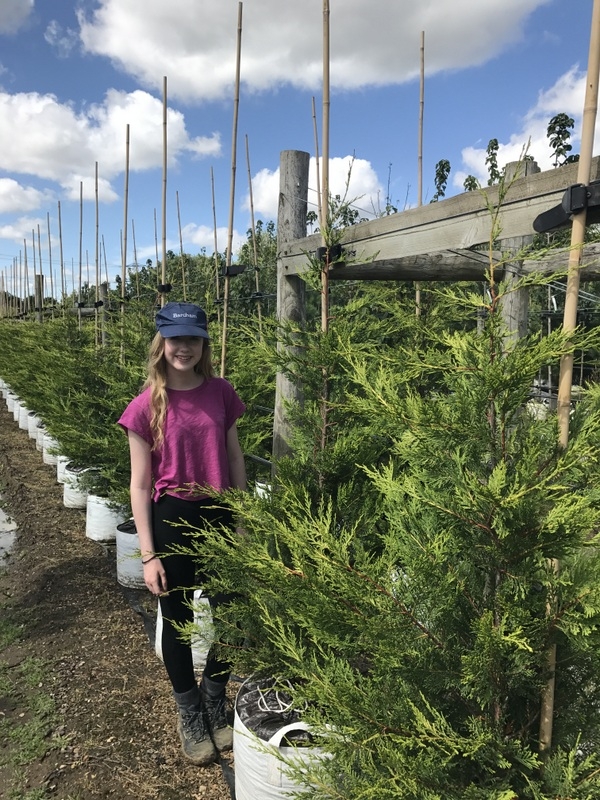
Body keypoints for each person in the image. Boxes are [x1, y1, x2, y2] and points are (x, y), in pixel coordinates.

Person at [118, 301, 246, 766]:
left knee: (233, 614)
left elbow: (234, 460)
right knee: (177, 620)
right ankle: (190, 713)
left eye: (193, 338)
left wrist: (242, 518)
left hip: (219, 511)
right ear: (161, 343)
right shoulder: (144, 406)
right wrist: (148, 555)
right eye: (175, 339)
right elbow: (139, 484)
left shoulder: (221, 393)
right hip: (172, 518)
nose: (184, 347)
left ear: (204, 342)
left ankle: (215, 698)